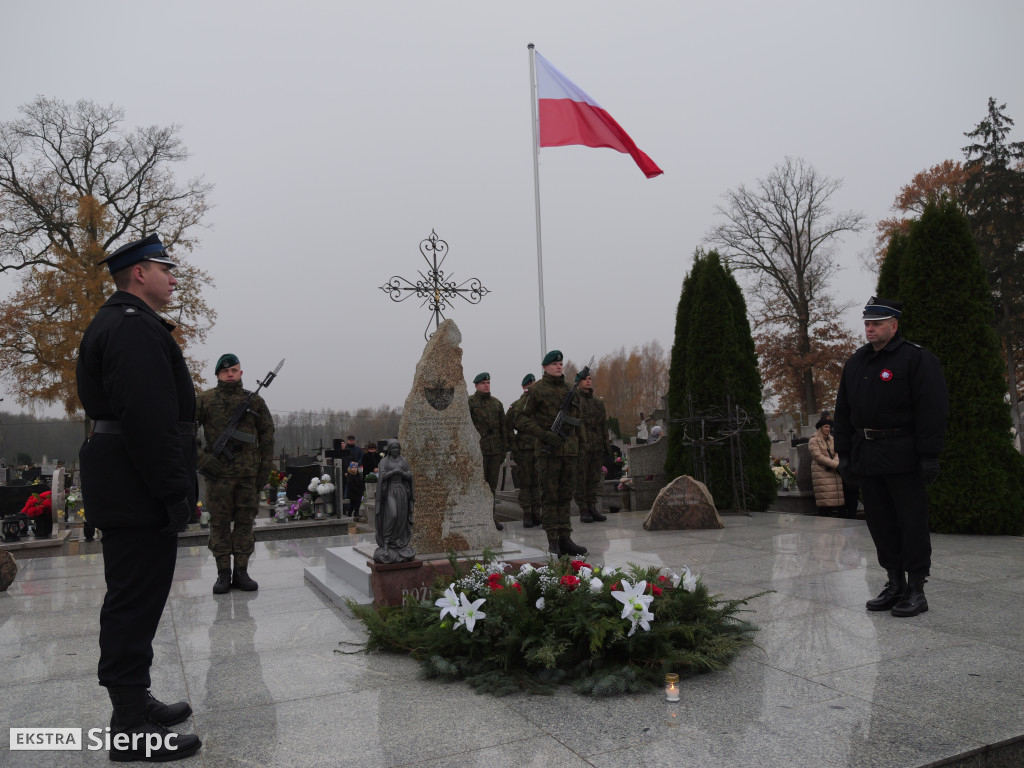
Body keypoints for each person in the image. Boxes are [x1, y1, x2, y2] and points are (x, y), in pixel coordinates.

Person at [76, 233, 202, 761]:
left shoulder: (129, 323)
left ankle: (135, 700)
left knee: (138, 598)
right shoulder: (131, 328)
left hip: (129, 482)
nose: (174, 277)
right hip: (137, 484)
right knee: (132, 601)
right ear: (138, 275)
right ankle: (128, 726)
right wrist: (176, 492)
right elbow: (149, 421)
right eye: (165, 267)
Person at [833, 297, 948, 618]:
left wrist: (929, 455)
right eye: (867, 324)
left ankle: (916, 589)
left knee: (911, 522)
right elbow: (843, 413)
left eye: (877, 324)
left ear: (894, 325)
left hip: (903, 455)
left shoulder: (916, 359)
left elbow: (932, 410)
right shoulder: (856, 363)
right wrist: (844, 455)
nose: (870, 329)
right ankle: (894, 582)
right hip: (868, 456)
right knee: (881, 524)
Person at [196, 353, 276, 594]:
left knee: (244, 523)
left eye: (234, 370)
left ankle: (241, 571)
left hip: (247, 477)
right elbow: (183, 433)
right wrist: (203, 459)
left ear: (241, 373)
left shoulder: (255, 401)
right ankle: (223, 573)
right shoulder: (205, 400)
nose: (230, 374)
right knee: (219, 524)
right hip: (218, 476)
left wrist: (264, 473)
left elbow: (267, 436)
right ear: (218, 374)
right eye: (225, 371)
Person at [518, 350, 588, 557]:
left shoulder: (571, 389)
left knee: (565, 497)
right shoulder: (537, 390)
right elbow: (521, 419)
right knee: (549, 497)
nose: (559, 366)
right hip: (548, 454)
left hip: (570, 453)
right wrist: (544, 435)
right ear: (545, 367)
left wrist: (581, 448)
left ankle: (566, 538)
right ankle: (553, 540)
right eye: (555, 363)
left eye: (561, 363)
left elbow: (578, 421)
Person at [467, 372, 509, 531]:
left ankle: (491, 517)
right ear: (476, 385)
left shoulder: (496, 404)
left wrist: (504, 449)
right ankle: (477, 518)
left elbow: (503, 428)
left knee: (491, 487)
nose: (486, 385)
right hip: (479, 452)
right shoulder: (470, 403)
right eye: (483, 383)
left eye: (488, 382)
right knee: (478, 486)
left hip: (495, 451)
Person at [507, 373, 541, 528]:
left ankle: (536, 512)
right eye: (530, 384)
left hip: (540, 449)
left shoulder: (540, 405)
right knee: (526, 483)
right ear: (524, 387)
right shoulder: (516, 405)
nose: (532, 386)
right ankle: (527, 513)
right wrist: (515, 448)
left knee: (538, 482)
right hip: (525, 450)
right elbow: (507, 427)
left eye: (534, 384)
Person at [575, 373, 608, 523]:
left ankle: (592, 506)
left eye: (590, 379)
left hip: (596, 444)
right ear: (578, 382)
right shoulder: (576, 401)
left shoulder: (597, 402)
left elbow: (603, 425)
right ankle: (583, 509)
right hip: (582, 446)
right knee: (581, 478)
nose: (588, 381)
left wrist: (606, 445)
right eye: (585, 379)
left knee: (594, 478)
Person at [374, 441, 414, 563]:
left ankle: (397, 541)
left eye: (397, 448)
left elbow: (409, 475)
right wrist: (393, 472)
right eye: (393, 448)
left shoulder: (403, 461)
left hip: (401, 489)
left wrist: (402, 473)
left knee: (401, 517)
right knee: (393, 514)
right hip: (390, 490)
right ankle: (386, 542)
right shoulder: (384, 461)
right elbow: (382, 476)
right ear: (389, 449)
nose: (396, 450)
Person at [808, 417, 844, 516]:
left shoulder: (832, 439)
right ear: (820, 428)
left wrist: (835, 463)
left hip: (834, 472)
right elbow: (817, 456)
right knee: (825, 501)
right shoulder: (814, 440)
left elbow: (838, 452)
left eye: (829, 427)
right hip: (821, 473)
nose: (828, 429)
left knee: (835, 501)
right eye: (826, 427)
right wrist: (835, 465)